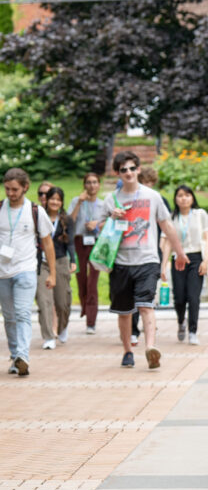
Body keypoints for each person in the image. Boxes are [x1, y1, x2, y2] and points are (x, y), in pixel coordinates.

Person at [98, 151, 187, 369]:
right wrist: (111, 217)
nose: (128, 173)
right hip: (120, 262)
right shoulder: (111, 199)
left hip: (147, 260)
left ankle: (150, 349)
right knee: (125, 311)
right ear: (117, 173)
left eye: (131, 168)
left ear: (138, 169)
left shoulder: (152, 196)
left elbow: (167, 225)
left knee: (147, 306)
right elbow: (97, 228)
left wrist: (180, 252)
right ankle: (128, 350)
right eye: (123, 170)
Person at [0, 168, 56, 377]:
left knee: (22, 313)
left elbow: (48, 243)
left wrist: (52, 273)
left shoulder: (35, 211)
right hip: (0, 271)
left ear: (25, 187)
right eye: (7, 189)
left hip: (26, 269)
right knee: (9, 316)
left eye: (14, 189)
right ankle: (15, 356)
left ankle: (23, 355)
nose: (10, 193)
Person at [161, 185, 208, 345]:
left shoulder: (200, 214)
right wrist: (164, 265)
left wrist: (206, 261)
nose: (184, 198)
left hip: (196, 258)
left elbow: (207, 238)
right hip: (178, 259)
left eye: (187, 195)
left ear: (192, 198)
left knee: (193, 297)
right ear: (175, 199)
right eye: (180, 195)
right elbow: (167, 243)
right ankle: (181, 321)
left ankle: (193, 331)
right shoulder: (171, 217)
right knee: (179, 297)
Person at [130, 167, 172, 344]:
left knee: (147, 294)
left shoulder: (158, 200)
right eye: (143, 182)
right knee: (131, 296)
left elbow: (167, 228)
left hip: (152, 253)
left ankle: (147, 325)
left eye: (149, 183)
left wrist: (163, 255)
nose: (146, 186)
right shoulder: (131, 198)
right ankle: (133, 330)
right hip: (133, 252)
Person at [36, 187, 77, 349]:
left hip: (60, 261)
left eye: (58, 199)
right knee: (44, 300)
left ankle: (61, 328)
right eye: (52, 199)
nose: (54, 202)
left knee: (62, 302)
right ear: (46, 200)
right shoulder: (39, 217)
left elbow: (71, 242)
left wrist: (73, 260)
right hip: (41, 263)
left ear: (61, 202)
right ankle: (48, 336)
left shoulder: (66, 220)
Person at [68, 172, 102, 334]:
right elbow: (69, 222)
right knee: (81, 281)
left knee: (92, 282)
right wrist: (79, 204)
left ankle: (91, 321)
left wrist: (97, 224)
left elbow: (109, 222)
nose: (92, 186)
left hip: (96, 244)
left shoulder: (103, 204)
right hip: (79, 242)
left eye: (95, 182)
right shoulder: (76, 201)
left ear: (99, 185)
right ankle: (85, 308)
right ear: (84, 185)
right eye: (88, 182)